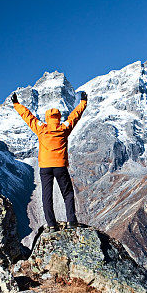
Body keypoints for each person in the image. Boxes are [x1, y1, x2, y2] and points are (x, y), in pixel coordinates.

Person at [11, 90, 88, 231]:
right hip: (60, 166)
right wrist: (83, 102)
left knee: (47, 196)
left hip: (45, 167)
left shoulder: (41, 129)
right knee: (68, 193)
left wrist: (16, 104)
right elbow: (75, 116)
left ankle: (51, 224)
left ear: (47, 118)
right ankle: (71, 221)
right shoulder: (64, 128)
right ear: (58, 117)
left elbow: (27, 116)